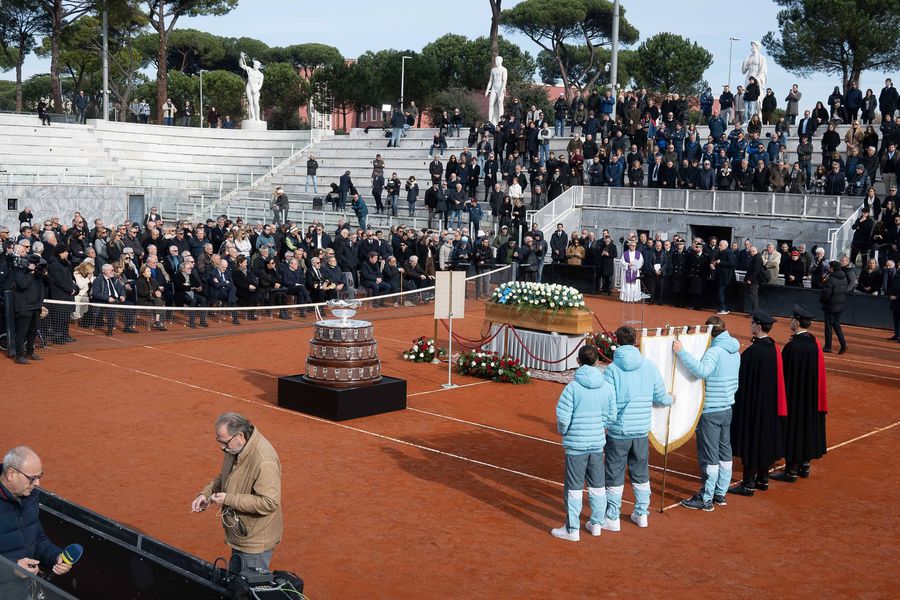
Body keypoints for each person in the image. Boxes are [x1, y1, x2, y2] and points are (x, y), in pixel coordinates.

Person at [192, 413, 282, 575]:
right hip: (240, 534)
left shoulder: (264, 461)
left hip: (255, 542)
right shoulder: (234, 448)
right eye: (219, 441)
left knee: (249, 585)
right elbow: (225, 477)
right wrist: (205, 494)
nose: (222, 447)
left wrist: (228, 499)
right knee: (236, 582)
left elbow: (269, 502)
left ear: (240, 436)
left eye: (224, 442)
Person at [602, 326, 673, 530]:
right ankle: (642, 513)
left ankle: (613, 517)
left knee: (614, 474)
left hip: (618, 432)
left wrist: (605, 423)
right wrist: (672, 399)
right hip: (641, 430)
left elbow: (608, 401)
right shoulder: (649, 366)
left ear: (617, 341)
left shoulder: (612, 370)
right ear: (635, 340)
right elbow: (660, 396)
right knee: (641, 472)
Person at [674, 316, 740, 511]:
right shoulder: (735, 350)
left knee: (709, 455)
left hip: (711, 409)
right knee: (724, 451)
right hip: (727, 407)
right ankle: (720, 493)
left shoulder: (714, 352)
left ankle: (706, 498)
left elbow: (702, 371)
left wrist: (681, 352)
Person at [551, 345, 617, 541]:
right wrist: (599, 427)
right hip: (597, 443)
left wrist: (565, 432)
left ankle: (572, 529)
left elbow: (563, 418)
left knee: (573, 487)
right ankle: (596, 524)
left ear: (578, 361)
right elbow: (612, 416)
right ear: (597, 361)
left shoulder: (572, 388)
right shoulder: (607, 387)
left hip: (576, 447)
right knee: (597, 485)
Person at [0, 446, 75, 596]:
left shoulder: (29, 498)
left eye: (39, 477)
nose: (37, 484)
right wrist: (11, 569)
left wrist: (56, 556)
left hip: (25, 588)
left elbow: (36, 538)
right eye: (32, 478)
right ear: (11, 474)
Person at [728, 311, 787, 497]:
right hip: (770, 405)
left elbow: (741, 380)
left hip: (754, 407)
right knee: (764, 441)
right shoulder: (774, 348)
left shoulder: (752, 352)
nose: (751, 325)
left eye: (753, 323)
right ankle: (763, 479)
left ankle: (748, 484)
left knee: (752, 443)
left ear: (759, 326)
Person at [771, 305, 828, 483]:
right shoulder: (814, 342)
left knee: (794, 431)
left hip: (795, 398)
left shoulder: (793, 347)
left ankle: (791, 471)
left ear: (797, 322)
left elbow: (783, 375)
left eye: (792, 319)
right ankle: (804, 466)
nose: (790, 321)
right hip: (811, 397)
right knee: (807, 429)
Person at [12, 254, 45, 364]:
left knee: (33, 331)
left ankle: (30, 352)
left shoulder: (37, 274)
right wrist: (30, 273)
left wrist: (41, 272)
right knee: (22, 332)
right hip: (24, 307)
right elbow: (22, 284)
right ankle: (19, 356)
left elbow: (48, 284)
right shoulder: (19, 271)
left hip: (36, 306)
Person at [820, 260, 848, 353]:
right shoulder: (844, 278)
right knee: (836, 325)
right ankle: (843, 345)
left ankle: (828, 347)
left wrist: (823, 299)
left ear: (832, 268)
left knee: (828, 327)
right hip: (839, 306)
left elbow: (826, 295)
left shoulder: (830, 280)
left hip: (830, 306)